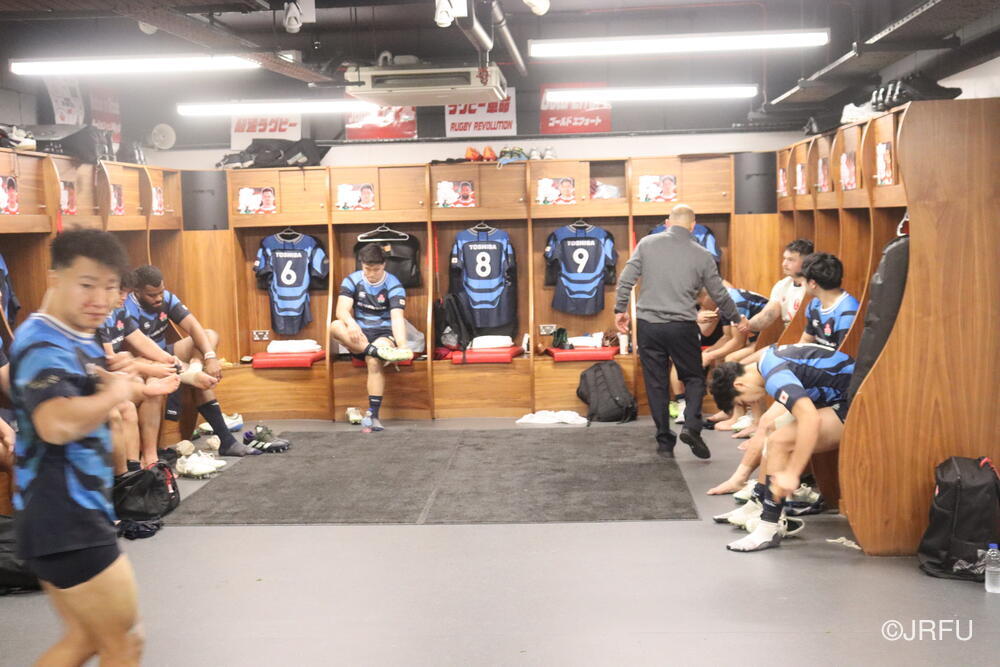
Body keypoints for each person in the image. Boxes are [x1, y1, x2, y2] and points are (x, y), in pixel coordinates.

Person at [9, 229, 146, 664]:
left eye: (109, 287)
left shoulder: (76, 333)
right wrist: (115, 393)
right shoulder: (42, 341)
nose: (100, 299)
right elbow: (56, 424)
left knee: (85, 639)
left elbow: (81, 391)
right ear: (55, 278)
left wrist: (116, 376)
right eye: (87, 284)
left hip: (64, 513)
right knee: (124, 642)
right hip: (65, 515)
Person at [615, 204, 748, 459]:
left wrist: (620, 310)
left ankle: (664, 442)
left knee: (656, 383)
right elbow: (720, 293)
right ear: (693, 226)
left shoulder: (646, 244)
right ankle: (691, 426)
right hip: (682, 326)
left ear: (667, 223)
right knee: (694, 377)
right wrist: (736, 317)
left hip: (649, 325)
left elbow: (626, 279)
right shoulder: (702, 254)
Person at [708, 343, 855, 552]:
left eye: (743, 402)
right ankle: (759, 503)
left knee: (780, 440)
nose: (750, 404)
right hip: (837, 397)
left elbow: (810, 419)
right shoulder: (767, 360)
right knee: (771, 428)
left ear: (739, 385)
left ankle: (768, 528)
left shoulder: (776, 376)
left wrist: (793, 472)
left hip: (856, 401)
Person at [127, 265, 270, 456]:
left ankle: (195, 368)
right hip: (142, 360)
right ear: (137, 292)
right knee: (187, 378)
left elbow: (194, 326)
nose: (159, 298)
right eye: (152, 295)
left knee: (210, 335)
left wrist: (210, 357)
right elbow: (138, 348)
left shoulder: (166, 298)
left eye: (161, 292)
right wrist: (177, 365)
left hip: (165, 353)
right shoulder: (128, 308)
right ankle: (226, 440)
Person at [331, 243, 413, 433]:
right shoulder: (352, 280)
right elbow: (341, 310)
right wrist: (351, 323)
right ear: (362, 264)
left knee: (373, 360)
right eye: (367, 269)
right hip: (359, 334)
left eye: (375, 269)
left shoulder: (393, 285)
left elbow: (397, 318)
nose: (371, 274)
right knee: (335, 326)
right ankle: (375, 351)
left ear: (383, 265)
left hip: (383, 334)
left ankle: (373, 415)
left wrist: (402, 347)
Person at [745, 239, 814, 336]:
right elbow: (768, 315)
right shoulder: (782, 285)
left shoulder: (813, 287)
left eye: (791, 260)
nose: (784, 264)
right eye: (784, 258)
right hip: (788, 336)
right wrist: (746, 325)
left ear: (806, 263)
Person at [797, 253, 859, 350]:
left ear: (812, 283)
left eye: (803, 280)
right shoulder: (814, 305)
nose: (801, 283)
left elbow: (845, 354)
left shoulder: (848, 313)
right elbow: (805, 341)